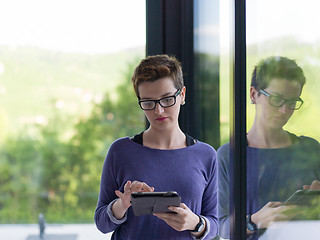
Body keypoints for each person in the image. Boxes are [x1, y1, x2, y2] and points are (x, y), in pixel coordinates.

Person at [94, 54, 218, 240]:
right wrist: (123, 203)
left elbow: (216, 223)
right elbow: (102, 223)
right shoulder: (120, 151)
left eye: (167, 99)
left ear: (182, 95)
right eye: (148, 103)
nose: (158, 111)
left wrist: (196, 223)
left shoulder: (206, 155)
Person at [217, 56, 320, 239]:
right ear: (253, 94)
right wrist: (254, 221)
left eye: (292, 102)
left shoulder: (311, 149)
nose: (284, 110)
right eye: (277, 99)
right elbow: (218, 227)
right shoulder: (228, 155)